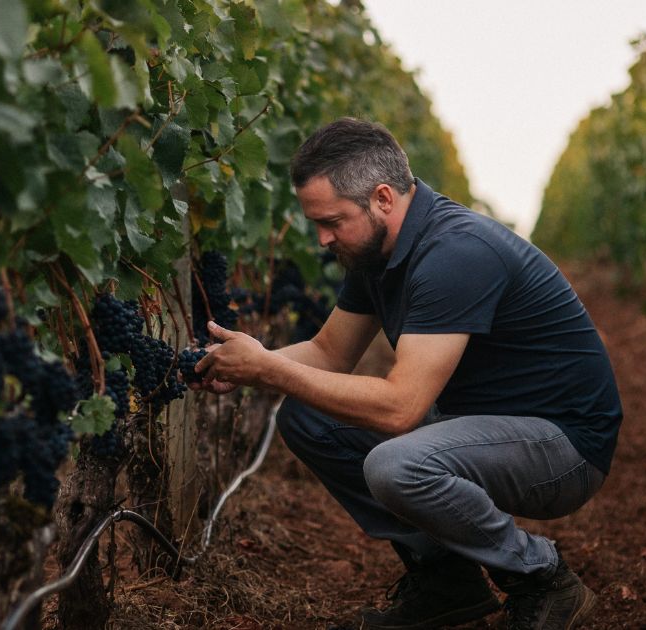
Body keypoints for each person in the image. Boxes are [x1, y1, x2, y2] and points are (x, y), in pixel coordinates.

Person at [192, 118, 622, 630]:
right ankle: (447, 583)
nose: (323, 238)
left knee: (396, 466)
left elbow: (400, 409)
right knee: (307, 418)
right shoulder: (375, 253)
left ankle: (544, 580)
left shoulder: (453, 253)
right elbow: (330, 353)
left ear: (382, 199)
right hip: (483, 427)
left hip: (564, 448)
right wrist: (249, 366)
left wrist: (269, 368)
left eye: (332, 221)